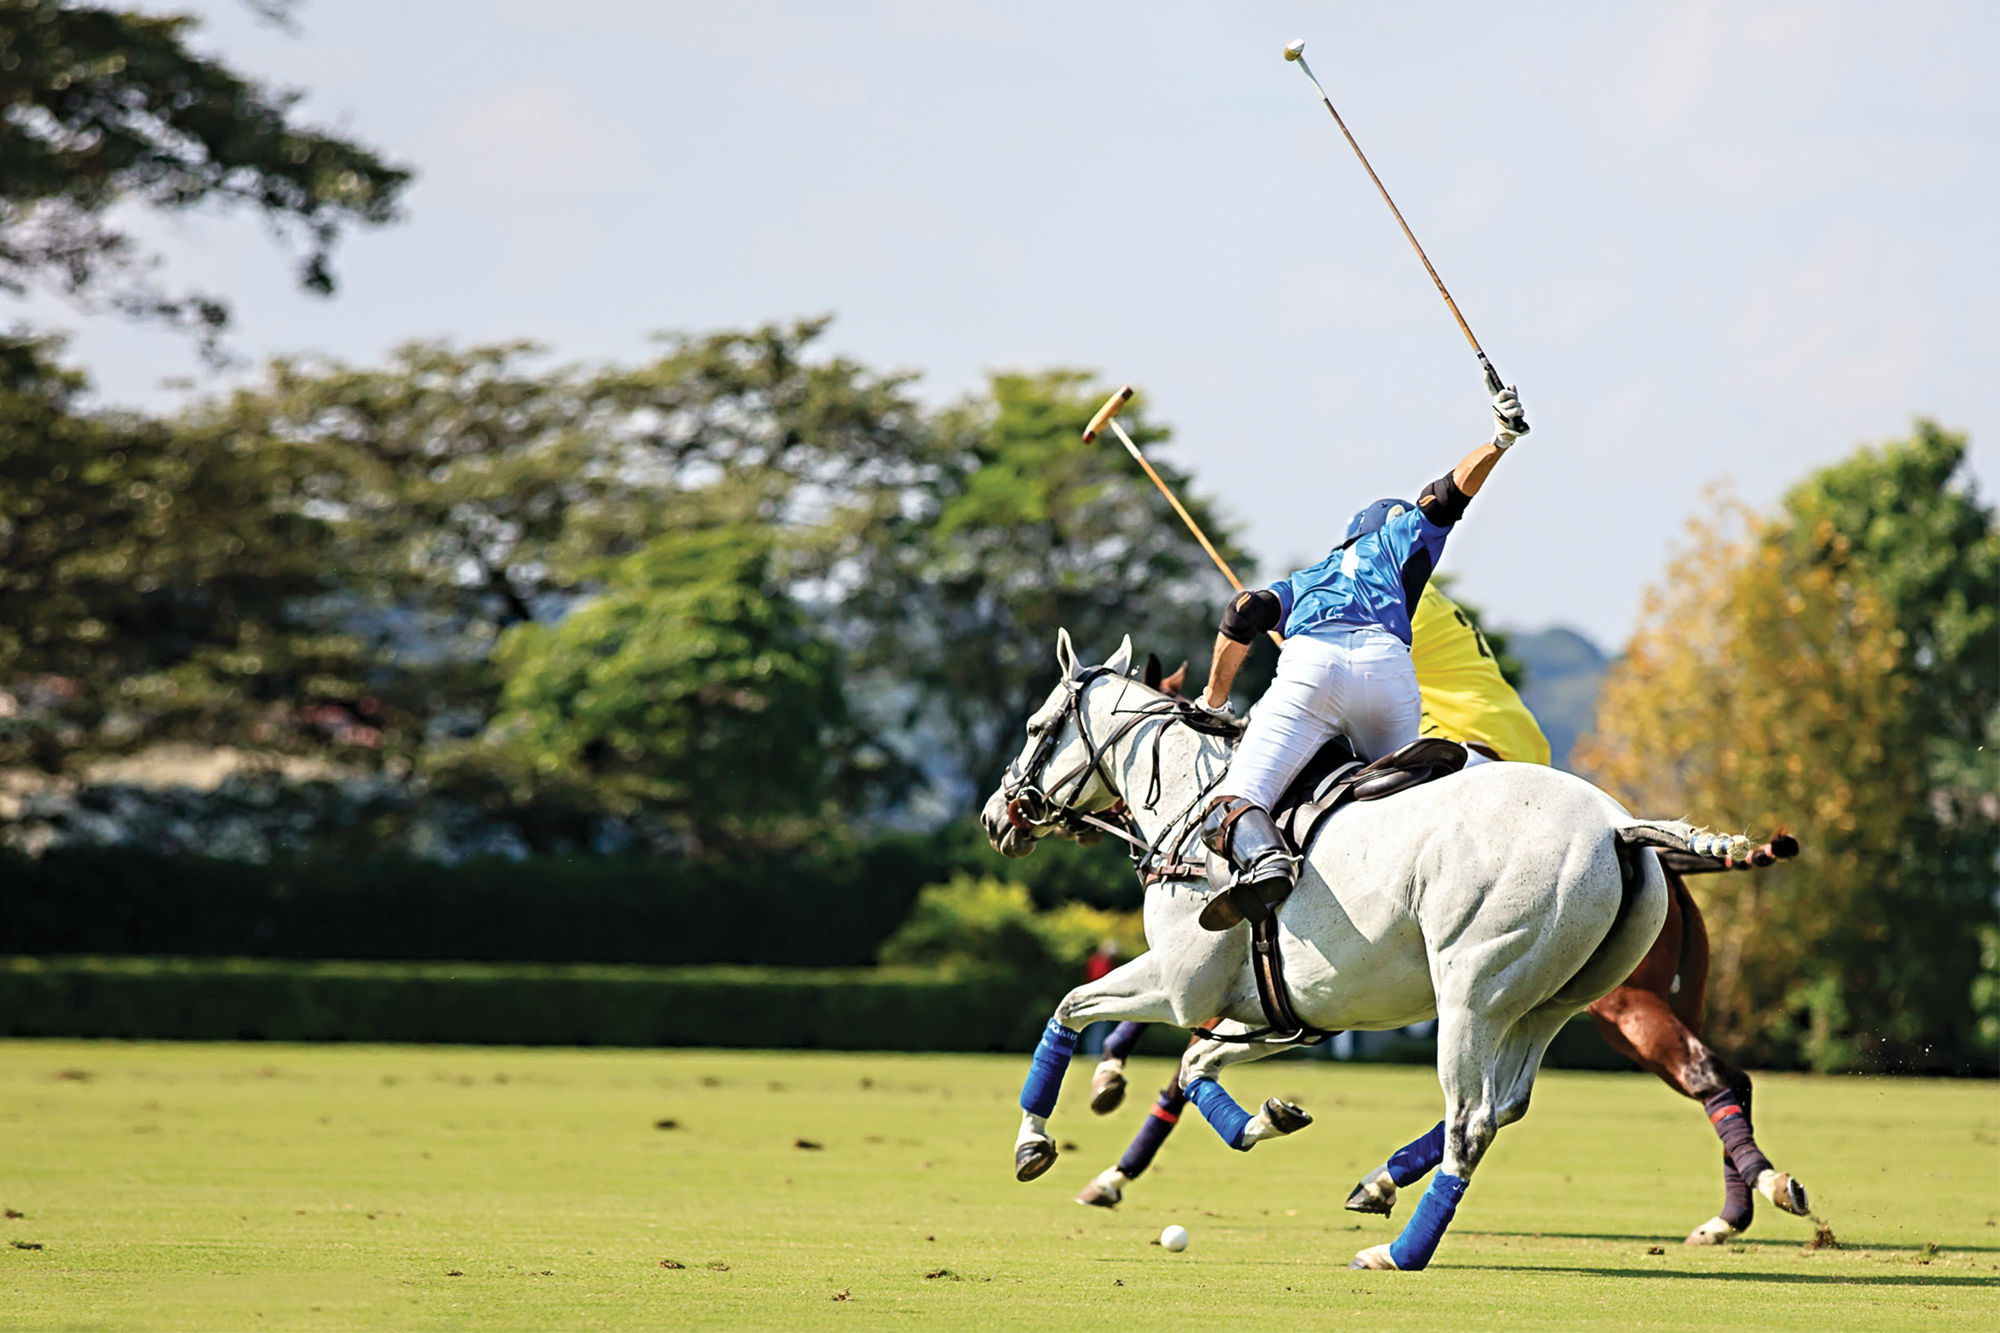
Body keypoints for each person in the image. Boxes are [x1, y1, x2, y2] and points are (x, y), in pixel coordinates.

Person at [1192, 384, 1529, 930]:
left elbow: (1242, 611)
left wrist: (1215, 699)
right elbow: (1447, 493)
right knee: (1410, 807)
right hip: (1387, 671)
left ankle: (1267, 860)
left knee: (1231, 801)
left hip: (1309, 671)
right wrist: (1498, 441)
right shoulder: (1400, 540)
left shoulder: (1308, 577)